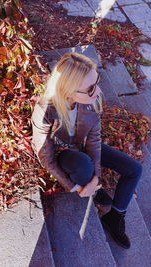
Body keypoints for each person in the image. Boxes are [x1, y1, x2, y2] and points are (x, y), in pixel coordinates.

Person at [31, 52, 142, 249]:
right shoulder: (45, 111)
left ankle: (115, 216)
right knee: (82, 163)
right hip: (64, 154)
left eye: (97, 82)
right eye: (90, 88)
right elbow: (45, 157)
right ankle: (95, 195)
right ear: (68, 91)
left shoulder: (92, 102)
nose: (98, 91)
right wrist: (76, 188)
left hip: (81, 146)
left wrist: (97, 178)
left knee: (134, 169)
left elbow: (94, 140)